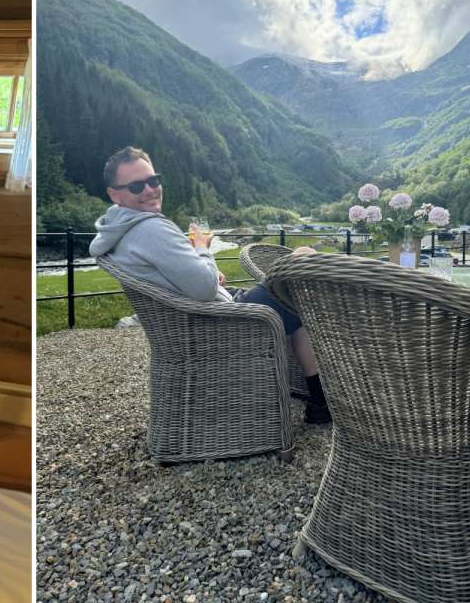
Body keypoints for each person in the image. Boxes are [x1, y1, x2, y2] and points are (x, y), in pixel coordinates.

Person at [88, 146, 331, 424]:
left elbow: (187, 280)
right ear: (115, 194)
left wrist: (206, 271)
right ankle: (335, 387)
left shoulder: (117, 230)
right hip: (229, 325)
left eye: (153, 180)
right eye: (136, 185)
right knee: (304, 260)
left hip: (199, 323)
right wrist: (202, 248)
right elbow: (204, 288)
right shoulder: (151, 228)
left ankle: (319, 399)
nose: (149, 190)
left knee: (297, 291)